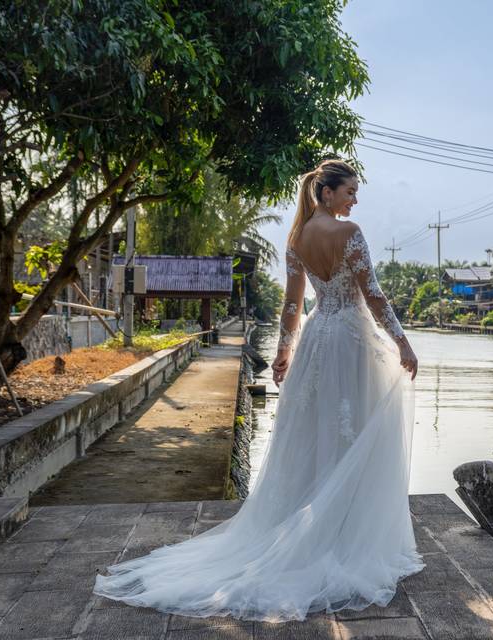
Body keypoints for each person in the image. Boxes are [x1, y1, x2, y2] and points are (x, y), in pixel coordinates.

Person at [93, 159, 424, 621]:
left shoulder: (297, 240)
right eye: (349, 191)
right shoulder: (349, 235)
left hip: (317, 338)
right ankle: (344, 535)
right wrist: (403, 344)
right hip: (351, 340)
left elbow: (293, 303)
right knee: (354, 431)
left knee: (315, 435)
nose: (355, 200)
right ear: (325, 192)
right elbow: (374, 295)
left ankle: (319, 528)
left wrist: (284, 351)